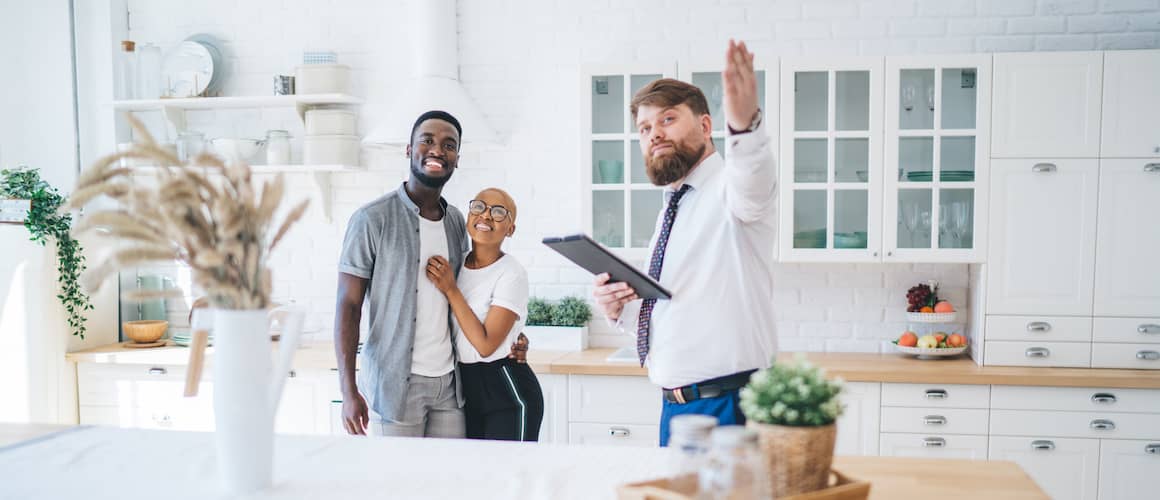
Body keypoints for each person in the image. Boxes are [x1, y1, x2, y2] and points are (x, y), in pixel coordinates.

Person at [592, 40, 778, 447]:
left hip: (729, 406)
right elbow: (677, 309)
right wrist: (622, 309)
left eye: (668, 119)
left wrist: (745, 125)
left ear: (707, 126)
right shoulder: (673, 206)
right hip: (675, 409)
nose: (654, 134)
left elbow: (754, 173)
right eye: (644, 129)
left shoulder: (732, 191)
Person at [334, 110, 527, 437]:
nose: (438, 150)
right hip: (396, 386)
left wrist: (513, 337)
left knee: (449, 484)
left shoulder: (455, 221)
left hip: (451, 387)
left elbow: (470, 294)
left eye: (449, 145)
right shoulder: (372, 220)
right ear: (409, 150)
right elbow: (348, 307)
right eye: (427, 141)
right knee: (401, 487)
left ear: (456, 159)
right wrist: (348, 390)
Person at [425, 188, 544, 441]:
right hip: (464, 389)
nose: (486, 216)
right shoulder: (456, 263)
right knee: (478, 475)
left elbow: (486, 345)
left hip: (507, 389)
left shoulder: (511, 273)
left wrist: (450, 289)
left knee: (511, 475)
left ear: (510, 229)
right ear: (469, 216)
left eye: (499, 212)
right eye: (479, 207)